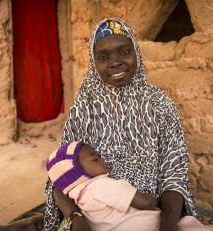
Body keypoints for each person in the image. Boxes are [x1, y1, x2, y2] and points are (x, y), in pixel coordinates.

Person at [44, 18, 197, 231]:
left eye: (124, 52)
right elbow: (60, 177)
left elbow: (174, 176)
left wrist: (166, 228)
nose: (114, 62)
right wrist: (75, 218)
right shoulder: (83, 109)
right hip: (94, 217)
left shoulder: (159, 105)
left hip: (150, 216)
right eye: (103, 57)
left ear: (137, 53)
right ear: (93, 62)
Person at [46, 141, 161, 231]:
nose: (103, 160)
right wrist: (161, 200)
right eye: (95, 159)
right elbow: (147, 202)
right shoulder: (101, 185)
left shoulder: (79, 199)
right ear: (76, 171)